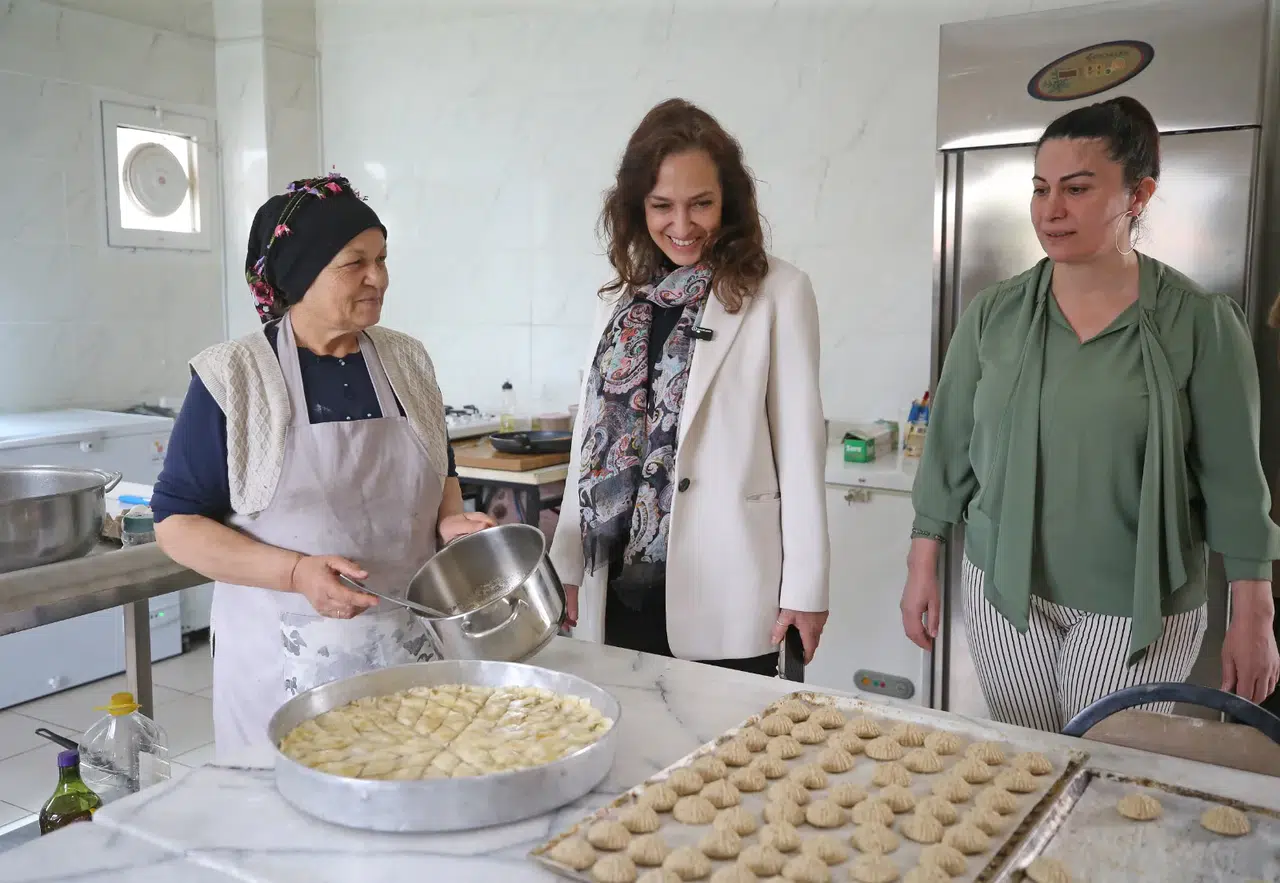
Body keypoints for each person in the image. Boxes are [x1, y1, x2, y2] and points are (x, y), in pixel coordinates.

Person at [903, 96, 1280, 732]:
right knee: (1027, 766)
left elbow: (1237, 483)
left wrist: (1255, 615)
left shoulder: (1199, 323)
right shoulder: (994, 314)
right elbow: (947, 450)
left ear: (1138, 194)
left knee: (1111, 777)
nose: (1052, 210)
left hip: (1138, 607)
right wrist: (922, 565)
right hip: (1005, 593)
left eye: (1077, 189)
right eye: (1042, 188)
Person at [153, 173, 494, 757]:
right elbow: (176, 525)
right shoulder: (232, 376)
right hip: (284, 663)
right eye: (354, 262)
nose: (378, 277)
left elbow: (440, 464)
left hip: (408, 642)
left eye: (382, 258)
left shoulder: (406, 359)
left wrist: (449, 520)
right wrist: (294, 572)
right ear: (300, 274)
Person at [548, 98, 830, 676]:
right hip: (621, 576)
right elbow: (588, 446)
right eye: (662, 206)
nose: (682, 226)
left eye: (701, 203)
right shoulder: (620, 303)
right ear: (636, 208)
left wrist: (807, 586)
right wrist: (568, 566)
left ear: (728, 199)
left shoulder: (779, 292)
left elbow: (802, 452)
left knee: (732, 758)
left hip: (729, 576)